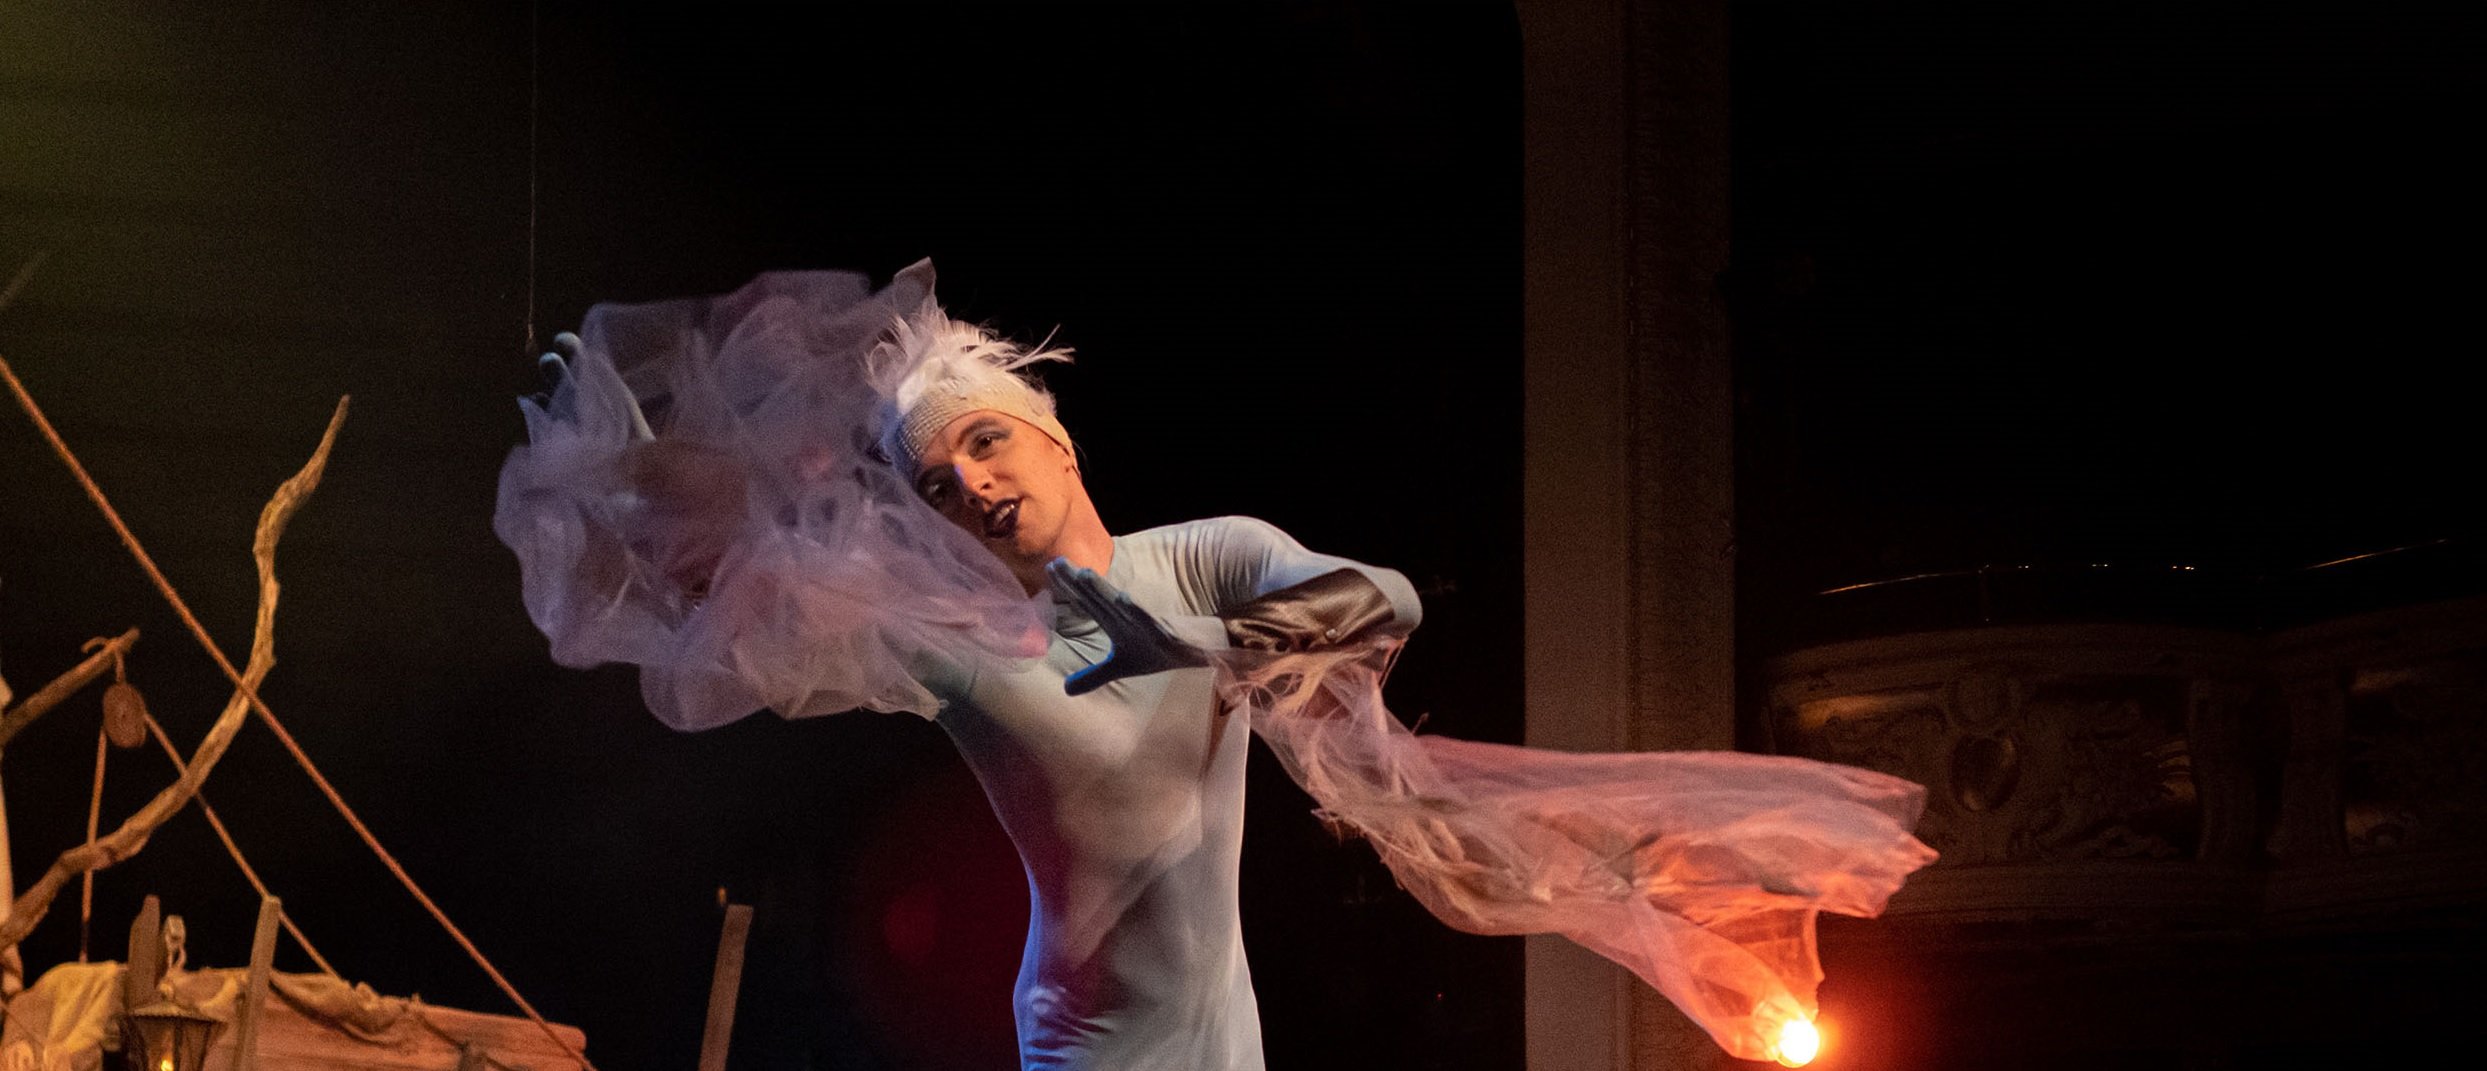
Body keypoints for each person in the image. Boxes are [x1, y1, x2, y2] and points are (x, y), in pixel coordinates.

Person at [495, 262, 1936, 1070]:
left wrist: (1209, 643)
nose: (976, 485)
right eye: (940, 481)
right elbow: (752, 560)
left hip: (1221, 1042)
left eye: (989, 442)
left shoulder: (1203, 559)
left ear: (1051, 435)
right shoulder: (955, 641)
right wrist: (618, 463)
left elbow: (1381, 600)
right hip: (1087, 1043)